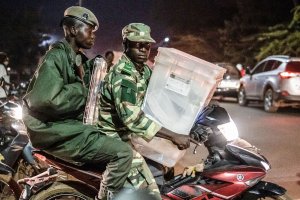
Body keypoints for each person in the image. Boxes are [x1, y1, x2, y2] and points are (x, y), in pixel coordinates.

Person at [22, 6, 133, 200]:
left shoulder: (78, 59)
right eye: (89, 30)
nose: (93, 36)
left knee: (123, 139)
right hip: (54, 132)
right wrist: (83, 91)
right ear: (73, 30)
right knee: (122, 153)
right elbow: (46, 99)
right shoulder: (56, 57)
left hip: (67, 128)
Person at [97, 23, 190, 199]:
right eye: (137, 44)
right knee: (150, 194)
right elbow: (133, 119)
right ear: (126, 45)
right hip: (116, 138)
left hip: (132, 135)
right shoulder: (123, 75)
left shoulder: (143, 70)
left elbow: (160, 95)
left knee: (167, 167)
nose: (143, 49)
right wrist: (173, 135)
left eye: (147, 45)